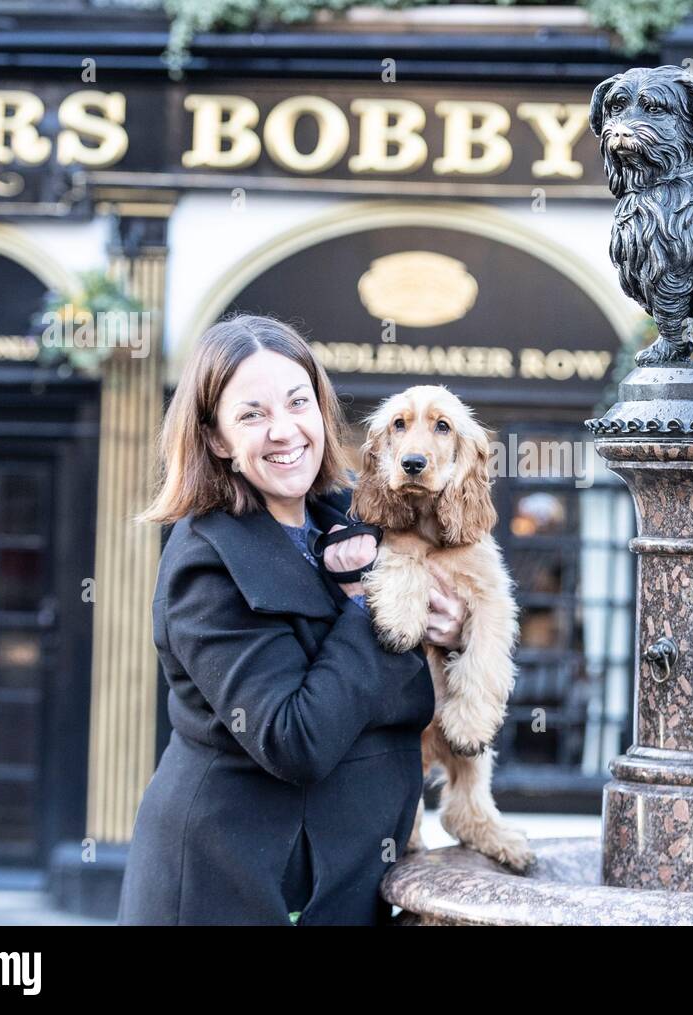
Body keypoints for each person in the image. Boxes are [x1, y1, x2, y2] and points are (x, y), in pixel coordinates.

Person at [117, 314, 465, 925]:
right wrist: (377, 603)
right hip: (240, 888)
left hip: (351, 880)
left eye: (297, 402)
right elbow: (292, 739)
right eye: (252, 415)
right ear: (218, 439)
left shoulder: (358, 518)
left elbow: (418, 698)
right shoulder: (207, 562)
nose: (284, 430)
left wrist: (455, 632)